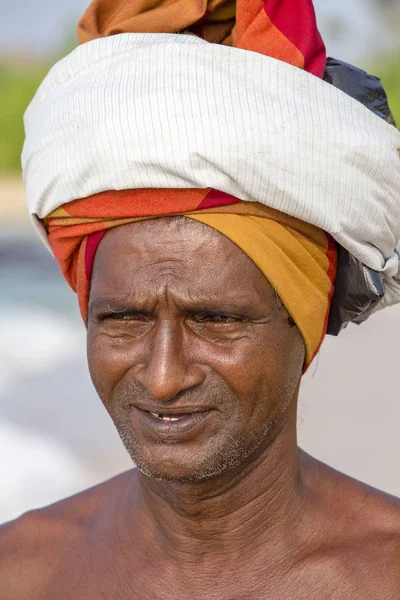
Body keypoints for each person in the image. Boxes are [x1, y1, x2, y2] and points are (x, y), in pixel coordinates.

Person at [1, 0, 400, 597]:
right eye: (123, 319)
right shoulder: (22, 571)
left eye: (215, 319)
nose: (163, 378)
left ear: (305, 323)